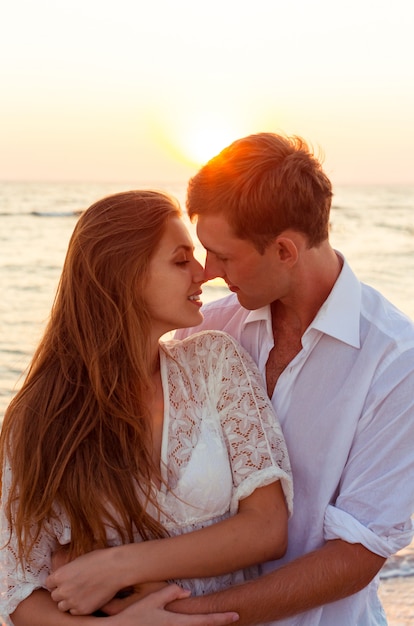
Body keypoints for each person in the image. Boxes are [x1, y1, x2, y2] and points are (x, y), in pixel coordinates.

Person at [0, 190, 293, 626]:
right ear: (124, 275)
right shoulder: (37, 419)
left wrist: (118, 566)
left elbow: (268, 529)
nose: (203, 274)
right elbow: (17, 591)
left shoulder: (215, 362)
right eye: (180, 261)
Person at [168, 133, 414, 624]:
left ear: (284, 250)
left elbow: (355, 557)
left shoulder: (396, 363)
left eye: (224, 255)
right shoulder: (212, 329)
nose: (208, 272)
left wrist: (186, 618)